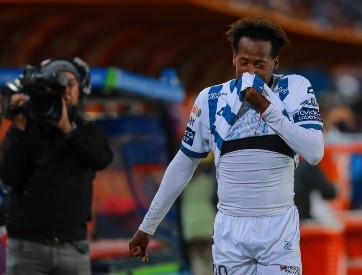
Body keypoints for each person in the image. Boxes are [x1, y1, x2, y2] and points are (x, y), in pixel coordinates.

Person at [129, 16, 324, 274]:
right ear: (233, 58)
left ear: (275, 62)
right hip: (230, 230)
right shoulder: (210, 98)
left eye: (260, 64)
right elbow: (183, 164)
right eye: (244, 62)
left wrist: (266, 108)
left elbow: (314, 152)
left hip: (278, 229)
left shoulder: (295, 88)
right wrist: (148, 226)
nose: (250, 72)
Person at [0, 57, 113, 275]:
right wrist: (20, 129)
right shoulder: (25, 127)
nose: (66, 91)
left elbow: (101, 159)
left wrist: (67, 129)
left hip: (73, 247)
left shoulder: (87, 130)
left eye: (71, 84)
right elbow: (9, 175)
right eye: (60, 84)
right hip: (27, 248)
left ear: (81, 90)